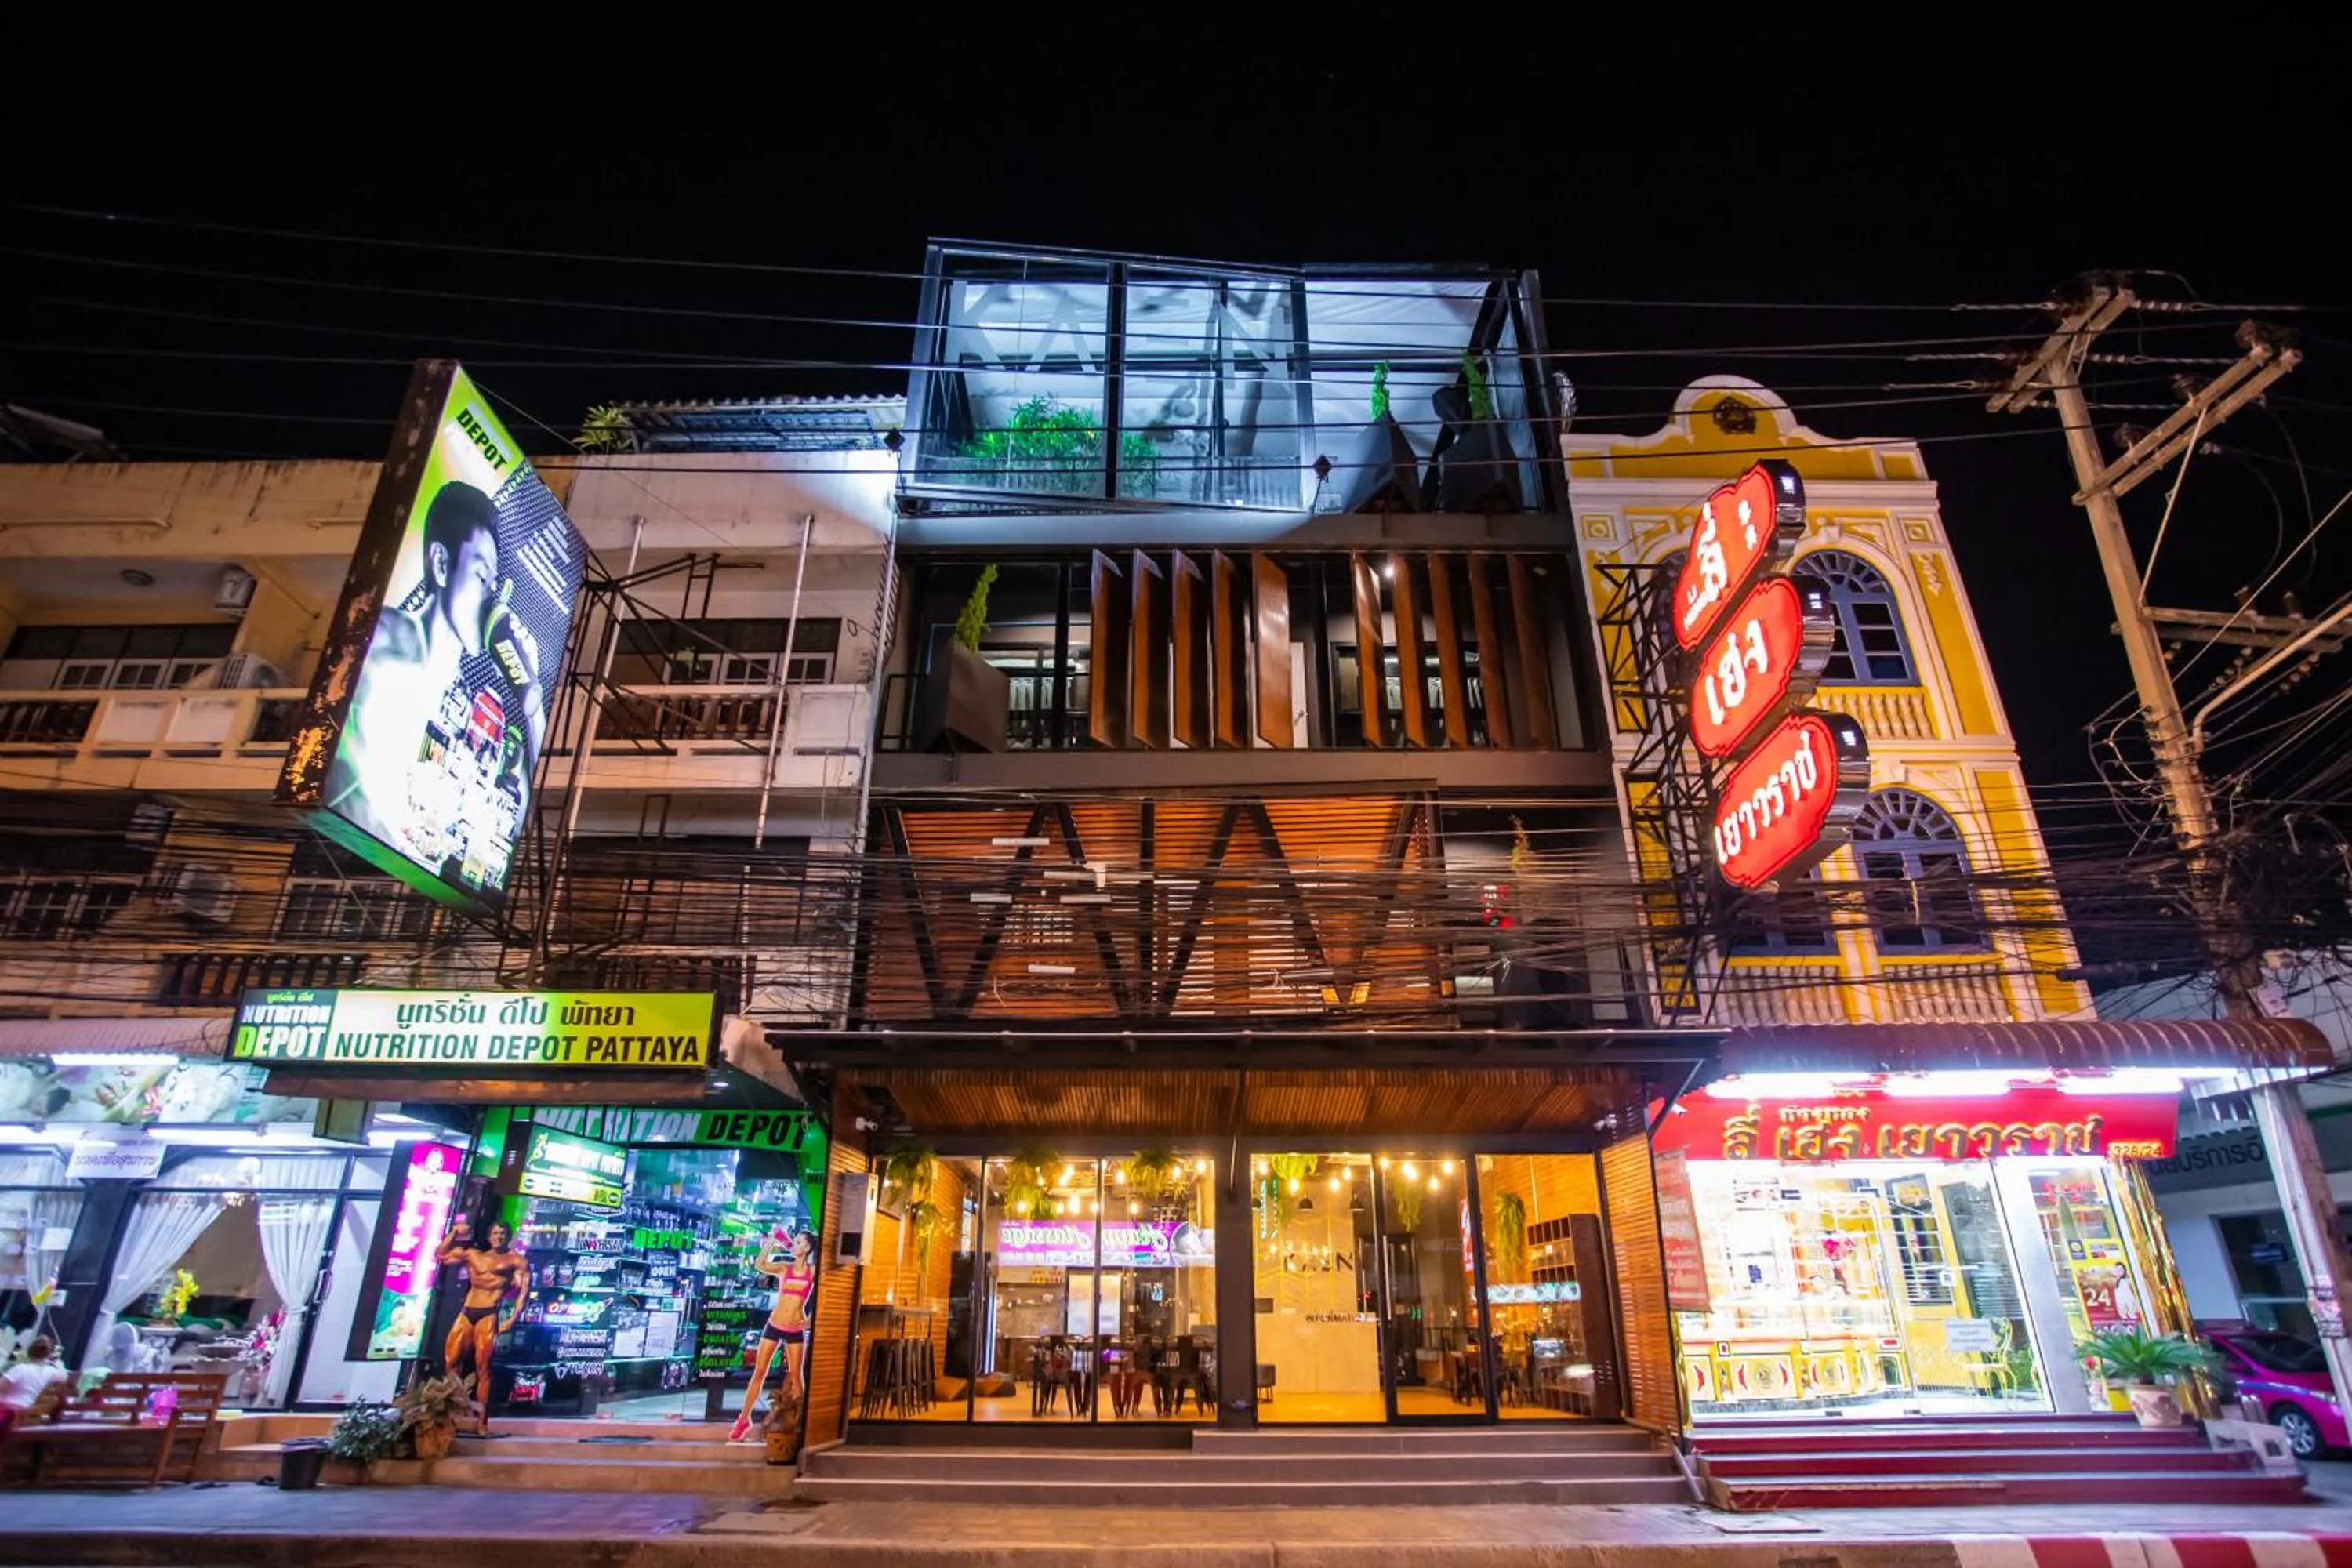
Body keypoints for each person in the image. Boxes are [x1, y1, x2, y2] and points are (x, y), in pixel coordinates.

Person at [326, 479, 545, 890]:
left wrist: (527, 687)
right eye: (481, 576)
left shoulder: (469, 700)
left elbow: (513, 826)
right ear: (442, 564)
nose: (490, 599)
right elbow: (350, 787)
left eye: (494, 585)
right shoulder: (384, 640)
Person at [435, 1216, 531, 1434]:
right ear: (489, 1237)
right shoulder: (473, 1255)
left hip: (488, 1314)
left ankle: (482, 1422)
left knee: (483, 1369)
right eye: (495, 1234)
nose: (499, 1237)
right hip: (467, 1311)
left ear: (509, 1237)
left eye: (503, 1234)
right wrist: (454, 1233)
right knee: (451, 1364)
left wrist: (513, 1318)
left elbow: (524, 1293)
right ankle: (454, 1416)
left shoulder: (516, 1261)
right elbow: (441, 1255)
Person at [728, 1228, 816, 1443]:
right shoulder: (785, 1268)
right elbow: (760, 1264)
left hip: (795, 1327)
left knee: (796, 1375)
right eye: (794, 1241)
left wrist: (812, 1318)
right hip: (775, 1324)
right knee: (759, 1371)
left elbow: (827, 1292)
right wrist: (770, 1243)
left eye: (798, 1242)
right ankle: (743, 1419)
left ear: (807, 1248)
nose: (794, 1244)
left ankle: (799, 1421)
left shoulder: (813, 1271)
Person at [2, 1336, 70, 1411]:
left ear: (29, 1352)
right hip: (31, 1411)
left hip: (9, 1409)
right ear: (49, 1354)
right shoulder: (54, 1373)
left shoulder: (21, 1369)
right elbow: (65, 1386)